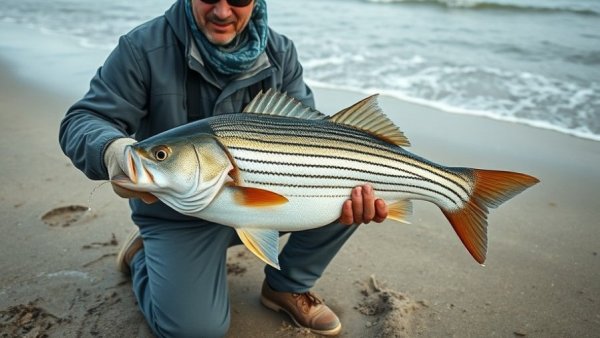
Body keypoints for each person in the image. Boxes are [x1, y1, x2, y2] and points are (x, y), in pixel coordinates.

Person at [59, 0, 388, 336]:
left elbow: (311, 138)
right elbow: (83, 120)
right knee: (195, 331)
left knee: (348, 182)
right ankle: (144, 258)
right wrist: (113, 152)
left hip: (259, 204)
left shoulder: (280, 52)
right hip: (178, 215)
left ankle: (287, 285)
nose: (222, 12)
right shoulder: (144, 48)